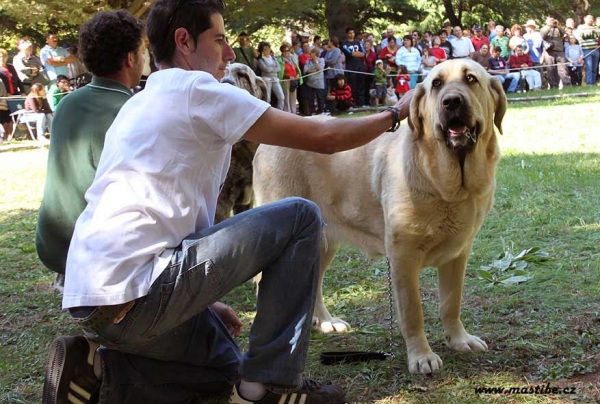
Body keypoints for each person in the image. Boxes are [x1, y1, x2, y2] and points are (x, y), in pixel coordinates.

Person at [42, 1, 413, 403]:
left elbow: (158, 221)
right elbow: (324, 139)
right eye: (219, 40)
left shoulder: (139, 102)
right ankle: (270, 387)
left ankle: (97, 371)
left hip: (93, 303)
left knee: (226, 370)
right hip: (135, 296)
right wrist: (396, 113)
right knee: (302, 216)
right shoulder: (197, 90)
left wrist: (204, 300)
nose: (231, 53)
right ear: (184, 41)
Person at [36, 10, 145, 294]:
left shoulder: (67, 104)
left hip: (53, 243)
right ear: (130, 58)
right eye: (143, 52)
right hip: (94, 251)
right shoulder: (133, 111)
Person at [0, 47, 26, 136]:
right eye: (0, 57)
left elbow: (18, 80)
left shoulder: (11, 67)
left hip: (14, 94)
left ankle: (15, 134)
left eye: (3, 56)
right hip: (4, 96)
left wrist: (22, 91)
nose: (2, 59)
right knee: (5, 116)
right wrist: (4, 94)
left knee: (15, 114)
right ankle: (6, 135)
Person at [541, 16, 570, 88]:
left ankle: (566, 84)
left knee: (563, 69)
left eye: (553, 20)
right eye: (550, 21)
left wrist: (558, 26)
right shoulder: (544, 28)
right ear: (547, 21)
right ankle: (553, 85)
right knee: (551, 69)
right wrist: (549, 27)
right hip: (549, 52)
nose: (552, 22)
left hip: (559, 51)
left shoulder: (558, 29)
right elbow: (543, 35)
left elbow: (564, 33)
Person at [341, 27, 366, 107]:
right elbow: (349, 53)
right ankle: (352, 102)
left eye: (353, 33)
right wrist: (356, 53)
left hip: (360, 66)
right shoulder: (344, 43)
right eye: (350, 33)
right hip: (351, 67)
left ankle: (361, 103)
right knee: (352, 85)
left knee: (360, 85)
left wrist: (355, 53)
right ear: (347, 34)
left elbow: (363, 53)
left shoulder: (358, 43)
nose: (352, 35)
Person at [256, 41, 284, 110]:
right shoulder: (260, 60)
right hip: (266, 80)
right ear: (262, 50)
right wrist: (274, 68)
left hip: (275, 79)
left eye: (268, 48)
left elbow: (279, 68)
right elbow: (266, 69)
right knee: (268, 98)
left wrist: (272, 69)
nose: (267, 50)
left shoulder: (273, 58)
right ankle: (267, 112)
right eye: (265, 49)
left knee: (281, 96)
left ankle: (280, 111)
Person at [575, 14, 600, 86]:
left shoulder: (595, 28)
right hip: (586, 49)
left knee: (594, 68)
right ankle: (589, 83)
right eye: (589, 18)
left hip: (595, 49)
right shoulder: (581, 27)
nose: (591, 19)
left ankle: (593, 82)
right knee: (589, 67)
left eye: (592, 18)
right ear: (585, 19)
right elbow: (578, 36)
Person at [277, 43, 302, 114]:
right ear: (282, 52)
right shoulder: (280, 59)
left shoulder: (291, 58)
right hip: (286, 81)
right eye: (285, 51)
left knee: (293, 97)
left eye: (288, 50)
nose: (287, 52)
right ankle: (288, 112)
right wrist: (288, 76)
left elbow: (296, 67)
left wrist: (297, 74)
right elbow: (280, 71)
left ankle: (293, 112)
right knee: (286, 97)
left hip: (294, 80)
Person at [303, 46, 325, 114]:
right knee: (311, 98)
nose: (311, 54)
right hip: (310, 83)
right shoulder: (307, 61)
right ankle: (312, 111)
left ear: (316, 53)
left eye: (312, 52)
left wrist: (315, 61)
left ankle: (321, 111)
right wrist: (315, 71)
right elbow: (306, 70)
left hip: (319, 82)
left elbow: (319, 68)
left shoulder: (321, 60)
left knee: (320, 97)